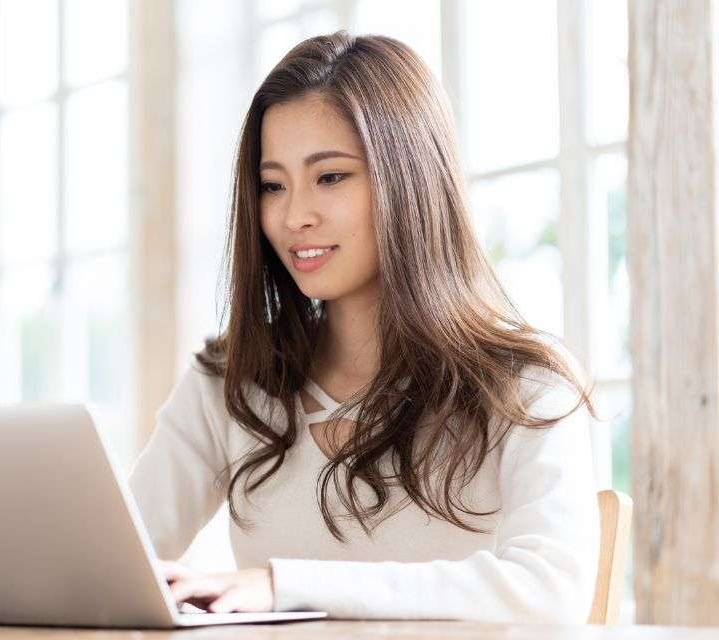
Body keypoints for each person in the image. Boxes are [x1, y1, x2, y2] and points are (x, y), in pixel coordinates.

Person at [129, 30, 601, 624]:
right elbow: (115, 560)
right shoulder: (230, 381)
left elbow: (551, 591)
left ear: (410, 181)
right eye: (272, 186)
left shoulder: (526, 387)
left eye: (330, 177)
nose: (294, 215)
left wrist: (286, 586)